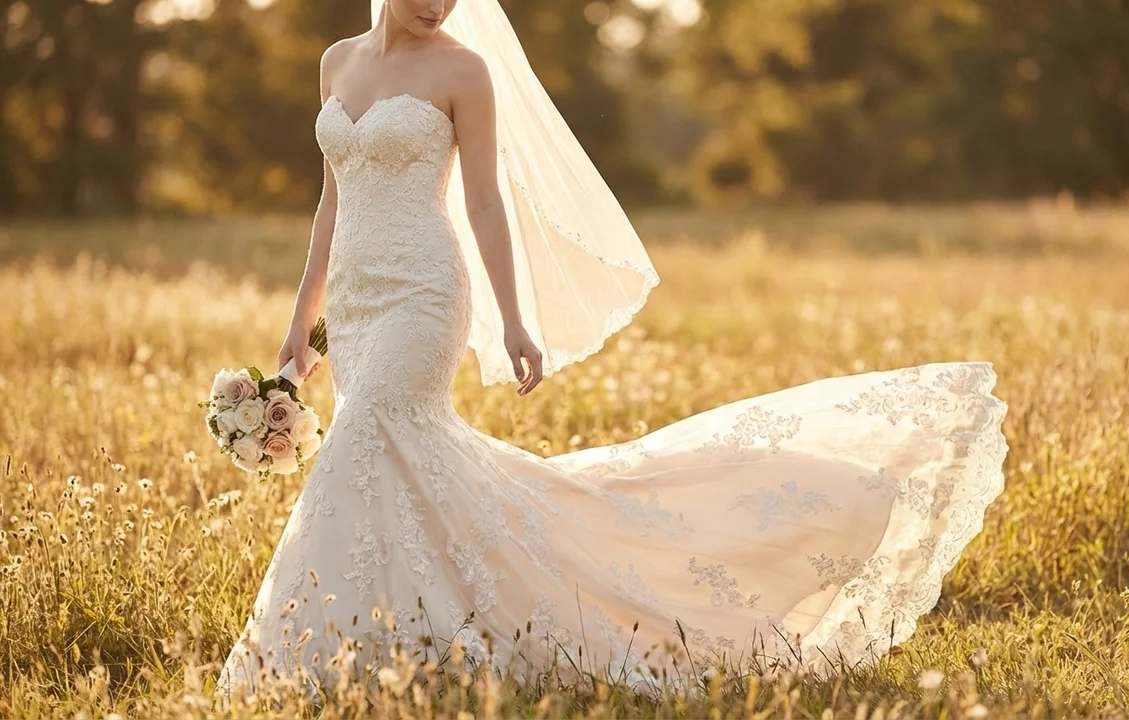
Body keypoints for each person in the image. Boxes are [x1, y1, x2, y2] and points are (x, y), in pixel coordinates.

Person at [216, 0, 1009, 699]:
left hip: (425, 291)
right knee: (400, 462)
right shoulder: (336, 63)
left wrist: (515, 320)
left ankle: (304, 652)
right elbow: (331, 199)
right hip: (355, 301)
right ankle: (396, 637)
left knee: (370, 433)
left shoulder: (465, 70)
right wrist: (301, 320)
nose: (443, 4)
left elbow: (486, 201)